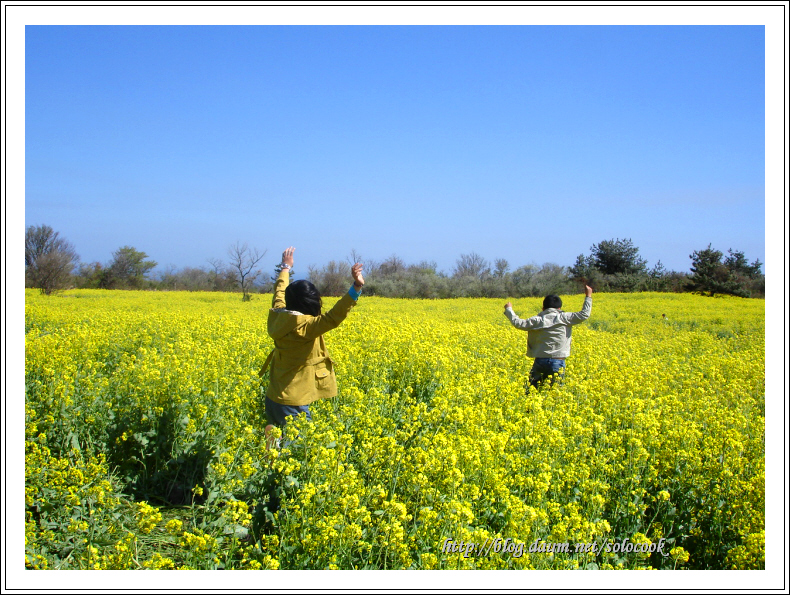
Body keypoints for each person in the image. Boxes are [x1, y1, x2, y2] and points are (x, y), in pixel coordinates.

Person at [259, 246, 364, 444]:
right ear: (310, 304)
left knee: (278, 448)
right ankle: (278, 449)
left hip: (274, 395)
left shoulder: (278, 314)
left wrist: (285, 267)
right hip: (294, 400)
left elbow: (280, 292)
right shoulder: (306, 327)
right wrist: (356, 288)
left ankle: (274, 444)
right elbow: (334, 316)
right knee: (298, 449)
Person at [504, 285, 593, 390]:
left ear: (543, 308)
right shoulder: (565, 317)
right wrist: (588, 295)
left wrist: (509, 309)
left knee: (532, 392)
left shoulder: (538, 320)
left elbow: (518, 323)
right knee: (555, 394)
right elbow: (584, 314)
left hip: (540, 361)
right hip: (558, 361)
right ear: (559, 308)